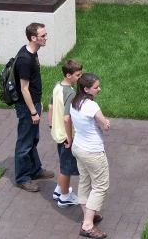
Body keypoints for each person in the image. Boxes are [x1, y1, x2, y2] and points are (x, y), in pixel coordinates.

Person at [14, 22, 54, 192]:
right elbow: (24, 89)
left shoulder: (33, 53)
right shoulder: (24, 60)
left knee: (33, 139)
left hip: (34, 104)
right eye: (43, 35)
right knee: (24, 142)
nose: (46, 38)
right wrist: (32, 111)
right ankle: (22, 178)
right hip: (26, 108)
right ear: (33, 38)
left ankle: (35, 170)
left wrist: (38, 103)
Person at [70, 73, 110, 239]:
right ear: (86, 89)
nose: (99, 89)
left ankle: (88, 213)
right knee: (100, 185)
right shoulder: (92, 107)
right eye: (96, 87)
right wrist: (106, 123)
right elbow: (105, 126)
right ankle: (87, 225)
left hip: (78, 148)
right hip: (93, 152)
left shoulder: (74, 103)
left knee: (85, 181)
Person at [48, 59, 83, 208]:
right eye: (77, 75)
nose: (80, 78)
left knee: (62, 163)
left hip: (57, 132)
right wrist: (70, 137)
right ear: (69, 75)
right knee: (66, 168)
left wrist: (51, 125)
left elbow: (50, 106)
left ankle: (58, 189)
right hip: (65, 136)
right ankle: (64, 197)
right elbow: (67, 118)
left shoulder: (57, 86)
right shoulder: (70, 93)